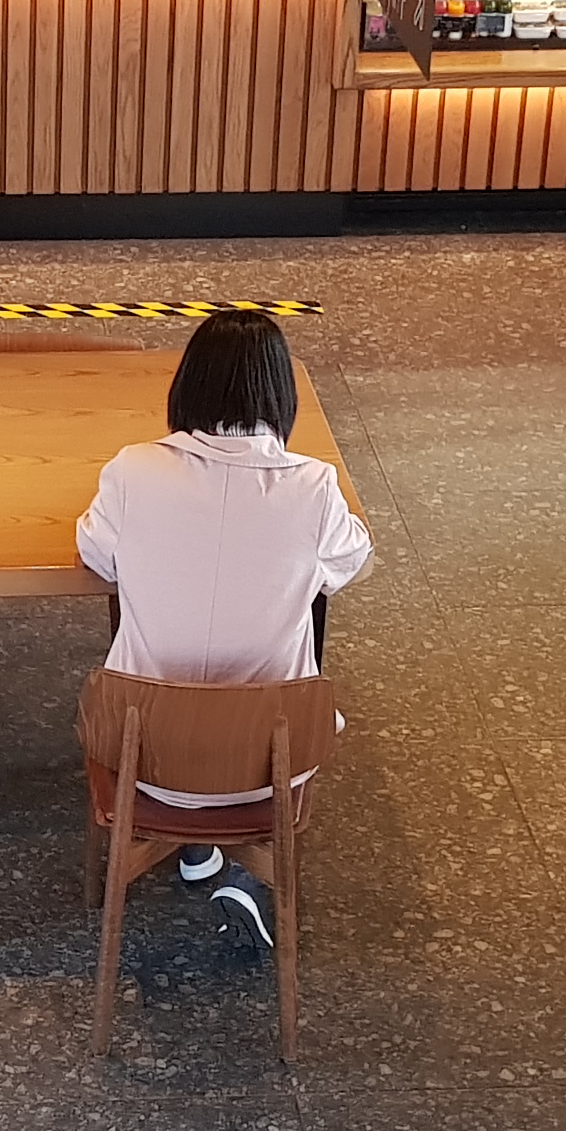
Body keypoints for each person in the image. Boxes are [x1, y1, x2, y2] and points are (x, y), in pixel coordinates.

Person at [74, 310, 372, 946]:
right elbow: (348, 562)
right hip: (268, 764)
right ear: (281, 397)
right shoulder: (315, 487)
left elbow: (97, 556)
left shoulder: (132, 470)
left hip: (142, 755)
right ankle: (248, 875)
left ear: (187, 386)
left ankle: (190, 845)